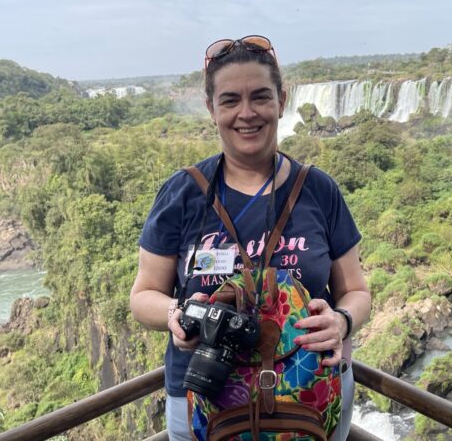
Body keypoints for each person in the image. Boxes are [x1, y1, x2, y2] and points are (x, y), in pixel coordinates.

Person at [130, 35, 371, 441]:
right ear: (211, 109)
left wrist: (342, 321)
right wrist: (179, 315)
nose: (247, 114)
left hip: (311, 394)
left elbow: (357, 292)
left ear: (281, 100)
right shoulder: (184, 193)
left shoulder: (318, 189)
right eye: (230, 100)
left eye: (260, 97)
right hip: (205, 395)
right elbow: (143, 296)